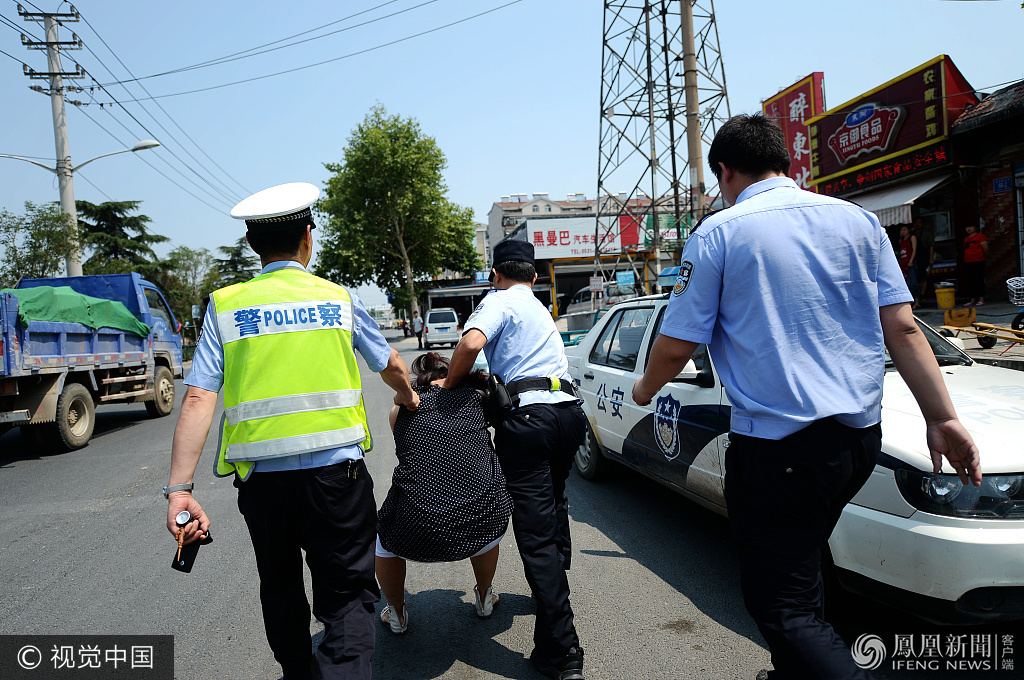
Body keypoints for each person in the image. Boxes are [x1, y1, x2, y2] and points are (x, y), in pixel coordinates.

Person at [631, 114, 981, 680]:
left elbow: (676, 346)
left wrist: (646, 389)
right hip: (858, 442)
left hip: (780, 450)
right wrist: (942, 418)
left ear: (725, 170)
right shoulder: (861, 221)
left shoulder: (719, 233)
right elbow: (905, 328)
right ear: (786, 164)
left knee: (781, 606)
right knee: (802, 564)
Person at [163, 182, 419, 680]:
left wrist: (179, 490)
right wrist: (408, 396)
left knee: (279, 584)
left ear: (253, 246)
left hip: (263, 486)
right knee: (346, 596)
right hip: (337, 481)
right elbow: (389, 363)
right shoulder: (336, 299)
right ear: (308, 236)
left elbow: (197, 397)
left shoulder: (227, 306)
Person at [443, 239, 587, 680]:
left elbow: (470, 344)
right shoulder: (540, 306)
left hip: (529, 422)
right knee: (555, 507)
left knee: (536, 535)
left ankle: (564, 652)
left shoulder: (499, 299)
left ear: (495, 275)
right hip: (569, 415)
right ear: (536, 276)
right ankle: (551, 622)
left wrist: (447, 388)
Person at [375, 352, 513, 634]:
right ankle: (485, 597)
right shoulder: (475, 400)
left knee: (382, 543)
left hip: (418, 522)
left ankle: (397, 613)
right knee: (486, 516)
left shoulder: (401, 410)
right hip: (479, 518)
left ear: (421, 384)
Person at [962, 223, 989, 306]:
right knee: (971, 281)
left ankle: (981, 299)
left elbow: (985, 248)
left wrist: (984, 257)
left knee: (979, 279)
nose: (968, 229)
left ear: (975, 227)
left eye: (970, 226)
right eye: (967, 227)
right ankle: (973, 299)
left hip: (979, 261)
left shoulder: (980, 236)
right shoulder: (966, 239)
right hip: (968, 262)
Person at [912, 217, 935, 305]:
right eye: (916, 223)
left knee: (923, 276)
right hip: (914, 259)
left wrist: (931, 259)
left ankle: (922, 293)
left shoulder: (926, 234)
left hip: (923, 257)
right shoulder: (912, 234)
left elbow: (931, 247)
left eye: (919, 222)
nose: (917, 225)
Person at [897, 224, 919, 309]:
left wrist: (911, 261)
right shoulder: (901, 240)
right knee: (907, 283)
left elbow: (914, 250)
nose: (903, 232)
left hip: (910, 263)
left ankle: (917, 301)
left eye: (904, 229)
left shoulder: (912, 238)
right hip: (903, 264)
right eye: (901, 230)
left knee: (913, 282)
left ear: (909, 230)